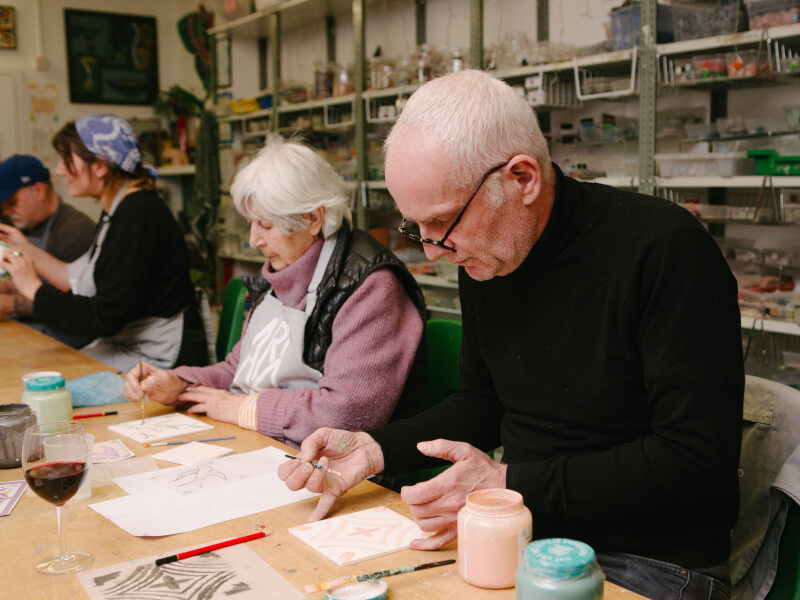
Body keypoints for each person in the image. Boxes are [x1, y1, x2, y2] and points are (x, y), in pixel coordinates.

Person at [279, 70, 744, 600]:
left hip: (650, 560)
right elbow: (483, 404)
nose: (432, 252)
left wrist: (506, 483)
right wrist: (372, 448)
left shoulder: (665, 251)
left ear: (523, 178)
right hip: (519, 526)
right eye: (417, 229)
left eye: (442, 224)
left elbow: (693, 462)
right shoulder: (485, 254)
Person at [122, 137, 426, 449]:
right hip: (266, 444)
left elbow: (346, 414)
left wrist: (243, 408)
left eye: (266, 226)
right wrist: (179, 385)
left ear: (312, 218)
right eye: (250, 224)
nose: (254, 241)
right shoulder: (281, 268)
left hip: (341, 465)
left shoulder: (372, 286)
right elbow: (240, 370)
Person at [0, 114, 207, 372]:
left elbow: (103, 318)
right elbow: (73, 278)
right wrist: (23, 246)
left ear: (99, 166)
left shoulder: (138, 215)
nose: (59, 171)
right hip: (128, 347)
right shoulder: (119, 209)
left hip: (157, 360)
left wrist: (32, 288)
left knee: (43, 386)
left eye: (66, 161)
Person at [0, 154, 96, 347]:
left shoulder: (76, 232)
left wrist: (10, 304)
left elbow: (81, 310)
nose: (6, 212)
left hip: (69, 339)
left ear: (38, 190)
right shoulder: (22, 225)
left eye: (12, 203)